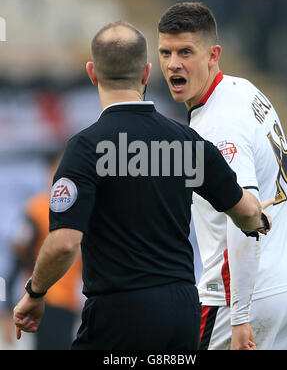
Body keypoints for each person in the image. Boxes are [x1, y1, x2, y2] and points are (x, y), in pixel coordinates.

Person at [13, 21, 271, 350]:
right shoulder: (187, 142)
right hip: (181, 311)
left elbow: (64, 243)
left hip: (119, 312)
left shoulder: (86, 147)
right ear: (147, 73)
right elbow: (246, 211)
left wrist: (34, 293)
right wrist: (257, 218)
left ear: (93, 73)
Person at [158, 2, 287, 350]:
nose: (173, 63)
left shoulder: (219, 126)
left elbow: (245, 220)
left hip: (242, 299)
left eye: (185, 52)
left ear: (213, 54)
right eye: (165, 52)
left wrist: (239, 316)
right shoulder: (244, 89)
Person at [2, 155, 82, 350]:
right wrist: (5, 309)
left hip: (72, 301)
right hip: (44, 297)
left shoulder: (82, 207)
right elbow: (17, 257)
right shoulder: (38, 208)